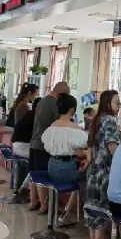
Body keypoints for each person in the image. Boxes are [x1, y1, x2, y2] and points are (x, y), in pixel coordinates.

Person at [84, 90, 121, 239]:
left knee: (91, 206)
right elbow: (112, 146)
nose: (119, 106)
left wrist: (89, 161)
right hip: (105, 172)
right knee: (102, 207)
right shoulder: (110, 120)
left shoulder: (96, 119)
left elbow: (89, 146)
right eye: (117, 103)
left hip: (93, 171)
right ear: (108, 104)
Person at [41, 93, 89, 225]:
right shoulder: (75, 129)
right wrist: (91, 152)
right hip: (66, 169)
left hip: (51, 167)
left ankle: (62, 210)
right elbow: (80, 152)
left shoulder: (51, 127)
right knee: (84, 179)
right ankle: (67, 212)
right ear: (72, 109)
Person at [28, 82, 70, 213]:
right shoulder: (54, 104)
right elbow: (60, 125)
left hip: (34, 143)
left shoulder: (42, 101)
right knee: (42, 176)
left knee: (33, 175)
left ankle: (33, 201)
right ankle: (44, 206)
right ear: (61, 93)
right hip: (44, 146)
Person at [12, 97, 42, 194]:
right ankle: (25, 187)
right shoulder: (36, 117)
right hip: (22, 146)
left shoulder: (29, 114)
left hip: (17, 145)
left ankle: (21, 186)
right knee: (40, 160)